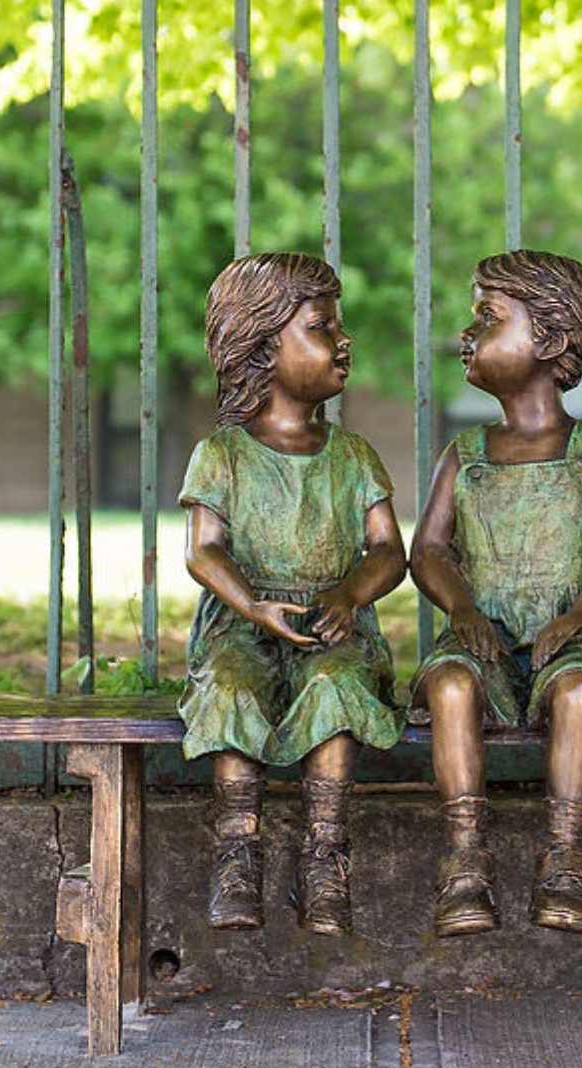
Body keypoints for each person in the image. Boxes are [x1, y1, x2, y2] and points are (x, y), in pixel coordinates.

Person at [409, 249, 582, 937]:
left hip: (577, 637)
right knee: (450, 685)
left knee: (578, 693)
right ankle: (463, 859)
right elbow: (426, 550)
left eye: (487, 317)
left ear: (548, 341)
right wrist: (460, 608)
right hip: (482, 631)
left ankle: (565, 856)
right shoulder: (465, 455)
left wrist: (580, 612)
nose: (467, 332)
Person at [178, 252, 406, 937]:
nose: (343, 342)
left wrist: (349, 593)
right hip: (243, 621)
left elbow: (390, 550)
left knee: (338, 685)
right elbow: (203, 548)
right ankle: (237, 850)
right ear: (262, 344)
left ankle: (325, 854)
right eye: (321, 326)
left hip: (332, 621)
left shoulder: (353, 455)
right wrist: (250, 605)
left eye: (339, 325)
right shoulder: (222, 455)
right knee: (229, 685)